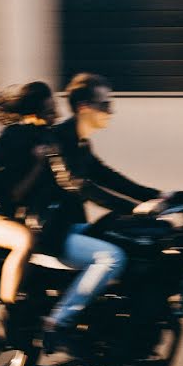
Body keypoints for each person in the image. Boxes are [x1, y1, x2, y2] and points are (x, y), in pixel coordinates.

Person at [41, 73, 165, 348]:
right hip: (53, 232)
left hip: (69, 227)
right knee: (112, 257)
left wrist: (157, 195)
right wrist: (135, 208)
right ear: (85, 107)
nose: (111, 110)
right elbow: (80, 185)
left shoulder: (81, 142)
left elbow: (107, 176)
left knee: (133, 246)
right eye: (105, 104)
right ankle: (57, 323)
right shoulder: (59, 140)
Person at [0, 81, 57, 315]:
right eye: (50, 110)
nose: (56, 115)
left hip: (10, 216)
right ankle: (6, 312)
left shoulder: (42, 139)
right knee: (25, 242)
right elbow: (13, 194)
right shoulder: (14, 138)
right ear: (36, 112)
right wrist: (38, 163)